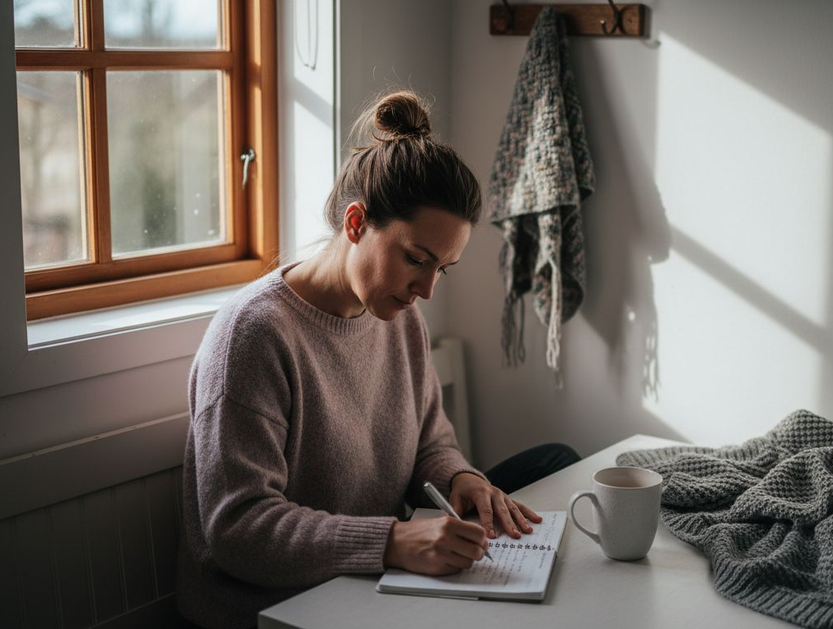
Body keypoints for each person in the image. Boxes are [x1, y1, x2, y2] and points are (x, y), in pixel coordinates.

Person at [175, 90, 580, 629]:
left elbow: (430, 442)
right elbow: (240, 529)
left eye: (444, 269)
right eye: (417, 259)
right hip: (274, 606)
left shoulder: (397, 313)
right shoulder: (253, 335)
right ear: (355, 222)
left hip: (372, 576)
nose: (427, 289)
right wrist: (393, 539)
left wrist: (461, 479)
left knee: (555, 461)